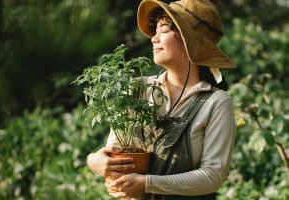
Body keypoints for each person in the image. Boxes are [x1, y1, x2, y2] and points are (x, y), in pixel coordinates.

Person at [86, 0, 236, 199]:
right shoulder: (136, 89)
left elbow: (212, 176)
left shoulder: (216, 103)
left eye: (163, 30)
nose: (153, 39)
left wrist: (147, 184)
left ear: (188, 40)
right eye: (155, 31)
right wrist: (94, 161)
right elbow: (114, 148)